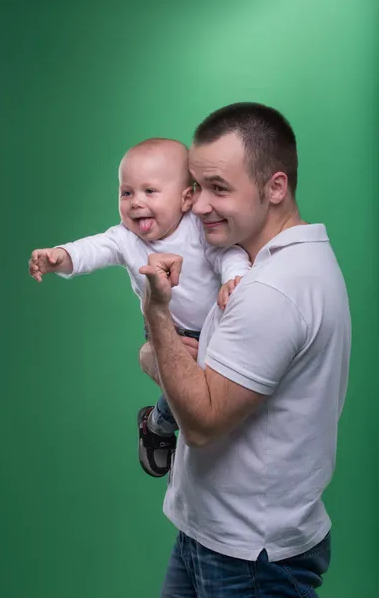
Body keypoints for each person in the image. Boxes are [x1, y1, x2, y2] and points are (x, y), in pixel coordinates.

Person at [139, 103, 351, 597]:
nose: (196, 205)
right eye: (197, 186)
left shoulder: (274, 289)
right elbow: (205, 377)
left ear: (275, 187)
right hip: (214, 537)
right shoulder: (267, 269)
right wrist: (163, 357)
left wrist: (157, 317)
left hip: (249, 560)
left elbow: (203, 419)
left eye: (219, 188)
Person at [28, 137, 250, 478]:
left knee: (213, 396)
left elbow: (229, 253)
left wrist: (235, 278)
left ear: (186, 198)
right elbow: (92, 249)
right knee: (190, 395)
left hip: (214, 327)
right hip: (169, 331)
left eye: (150, 191)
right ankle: (170, 439)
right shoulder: (124, 238)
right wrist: (61, 257)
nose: (135, 203)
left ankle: (155, 423)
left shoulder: (199, 228)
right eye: (126, 193)